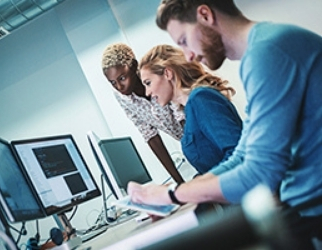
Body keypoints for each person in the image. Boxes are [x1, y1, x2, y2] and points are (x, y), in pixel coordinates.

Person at [128, 0, 322, 248]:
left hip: (312, 213)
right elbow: (241, 155)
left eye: (184, 40)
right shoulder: (262, 51)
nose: (187, 55)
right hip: (304, 208)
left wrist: (170, 194)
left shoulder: (268, 51)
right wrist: (175, 196)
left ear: (205, 15)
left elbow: (259, 173)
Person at [139, 44, 242, 175]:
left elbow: (238, 155)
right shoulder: (190, 109)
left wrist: (195, 188)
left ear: (167, 73)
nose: (147, 92)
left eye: (148, 83)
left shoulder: (200, 99)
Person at [101, 43, 185, 183]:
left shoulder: (157, 76)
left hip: (203, 135)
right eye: (113, 82)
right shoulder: (122, 98)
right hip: (191, 146)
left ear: (134, 66)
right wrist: (180, 182)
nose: (119, 87)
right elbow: (150, 135)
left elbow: (182, 116)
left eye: (122, 78)